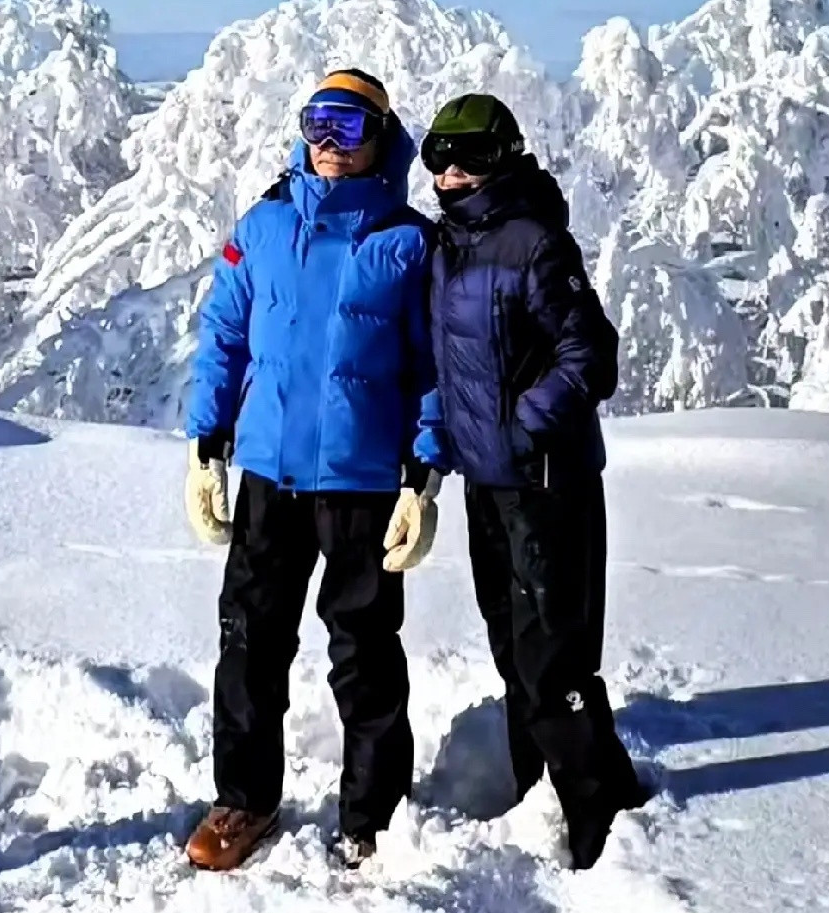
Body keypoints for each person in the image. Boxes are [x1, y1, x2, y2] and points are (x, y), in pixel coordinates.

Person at [182, 69, 446, 872]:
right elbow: (223, 336)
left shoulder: (408, 242)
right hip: (269, 475)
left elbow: (433, 368)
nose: (330, 143)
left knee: (364, 651)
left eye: (350, 127)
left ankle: (373, 814)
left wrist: (422, 477)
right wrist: (206, 445)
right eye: (317, 123)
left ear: (382, 140)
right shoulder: (261, 227)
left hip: (362, 483)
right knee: (250, 644)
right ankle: (245, 800)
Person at [415, 93, 645, 870]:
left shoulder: (534, 243)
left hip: (547, 481)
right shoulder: (447, 245)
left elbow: (591, 356)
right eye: (438, 155)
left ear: (505, 156)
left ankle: (597, 804)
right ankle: (540, 779)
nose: (451, 171)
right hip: (489, 482)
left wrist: (522, 428)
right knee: (512, 644)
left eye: (471, 155)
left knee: (553, 652)